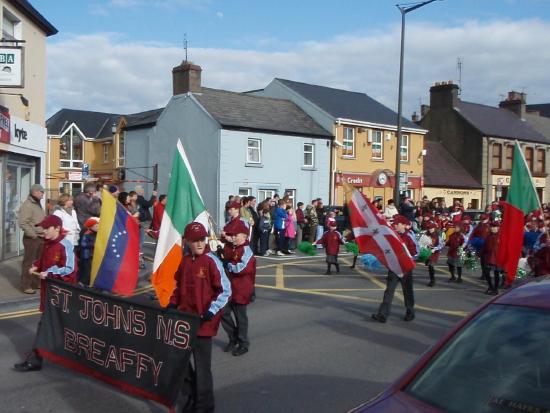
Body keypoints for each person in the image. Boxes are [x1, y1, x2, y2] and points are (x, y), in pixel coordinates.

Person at [168, 222, 231, 412]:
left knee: (203, 369)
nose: (200, 243)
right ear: (186, 241)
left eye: (202, 239)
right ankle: (189, 398)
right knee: (181, 364)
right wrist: (173, 302)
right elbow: (179, 287)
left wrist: (211, 310)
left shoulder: (212, 261)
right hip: (185, 323)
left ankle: (204, 406)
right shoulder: (185, 261)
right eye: (195, 240)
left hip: (203, 324)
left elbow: (225, 290)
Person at [13, 215, 78, 372]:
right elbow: (43, 260)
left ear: (56, 228)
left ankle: (36, 359)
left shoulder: (65, 245)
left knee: (48, 326)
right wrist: (36, 266)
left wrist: (50, 273)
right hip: (49, 293)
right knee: (54, 327)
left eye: (46, 228)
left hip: (62, 295)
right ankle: (39, 358)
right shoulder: (47, 244)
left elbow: (70, 269)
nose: (43, 231)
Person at [371, 214, 417, 323]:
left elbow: (416, 252)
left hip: (405, 268)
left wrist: (407, 257)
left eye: (397, 224)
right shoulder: (392, 235)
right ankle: (383, 314)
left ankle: (410, 312)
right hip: (394, 267)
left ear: (404, 225)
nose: (394, 225)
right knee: (389, 291)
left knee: (407, 291)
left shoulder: (409, 236)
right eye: (394, 224)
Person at [220, 219, 256, 356]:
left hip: (241, 290)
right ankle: (233, 337)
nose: (233, 237)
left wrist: (227, 263)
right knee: (223, 313)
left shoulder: (246, 250)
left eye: (236, 235)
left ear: (244, 236)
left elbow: (241, 269)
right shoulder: (234, 247)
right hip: (229, 288)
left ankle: (243, 343)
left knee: (241, 318)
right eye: (232, 235)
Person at [18, 184, 46, 294]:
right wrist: (33, 235)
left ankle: (35, 283)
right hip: (32, 238)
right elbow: (23, 223)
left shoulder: (36, 203)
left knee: (37, 262)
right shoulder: (28, 205)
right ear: (35, 192)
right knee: (28, 263)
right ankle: (26, 286)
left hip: (39, 237)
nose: (43, 194)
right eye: (41, 192)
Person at [479, 221, 503, 295]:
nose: (492, 228)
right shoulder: (489, 236)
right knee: (486, 272)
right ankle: (490, 286)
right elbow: (485, 247)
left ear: (498, 228)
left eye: (494, 227)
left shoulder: (502, 236)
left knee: (496, 274)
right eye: (491, 227)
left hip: (497, 258)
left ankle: (495, 289)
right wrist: (480, 254)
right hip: (488, 257)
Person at [78, 217, 99, 286]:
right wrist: (94, 244)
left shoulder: (96, 234)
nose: (98, 227)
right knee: (87, 271)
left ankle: (89, 283)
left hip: (93, 256)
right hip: (87, 256)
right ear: (91, 227)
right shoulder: (87, 234)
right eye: (96, 226)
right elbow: (83, 244)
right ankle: (82, 283)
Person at [423, 221, 444, 287]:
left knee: (431, 265)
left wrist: (434, 249)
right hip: (427, 252)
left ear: (434, 229)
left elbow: (441, 245)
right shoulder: (426, 235)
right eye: (429, 228)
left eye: (432, 228)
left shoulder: (438, 236)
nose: (430, 230)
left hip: (434, 252)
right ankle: (432, 279)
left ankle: (432, 281)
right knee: (428, 265)